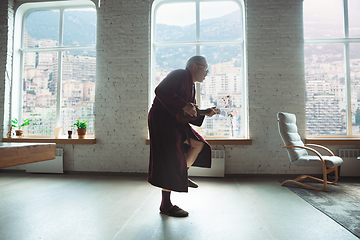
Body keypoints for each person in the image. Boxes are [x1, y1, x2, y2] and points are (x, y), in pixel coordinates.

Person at [148, 55, 217, 217]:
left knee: (198, 144)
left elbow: (187, 113)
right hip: (162, 120)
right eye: (205, 68)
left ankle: (181, 174)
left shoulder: (191, 86)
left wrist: (205, 112)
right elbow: (160, 91)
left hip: (175, 122)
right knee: (171, 159)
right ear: (194, 66)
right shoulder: (179, 74)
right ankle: (166, 205)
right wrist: (185, 105)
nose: (207, 73)